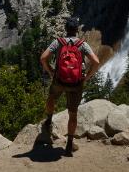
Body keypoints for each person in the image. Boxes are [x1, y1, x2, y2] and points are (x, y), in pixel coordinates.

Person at [39, 16, 100, 156]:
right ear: (77, 30)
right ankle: (69, 143)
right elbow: (96, 62)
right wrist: (87, 77)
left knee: (51, 98)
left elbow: (43, 58)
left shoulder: (58, 42)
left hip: (59, 80)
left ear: (66, 29)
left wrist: (50, 71)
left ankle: (48, 120)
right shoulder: (82, 44)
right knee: (73, 114)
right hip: (76, 83)